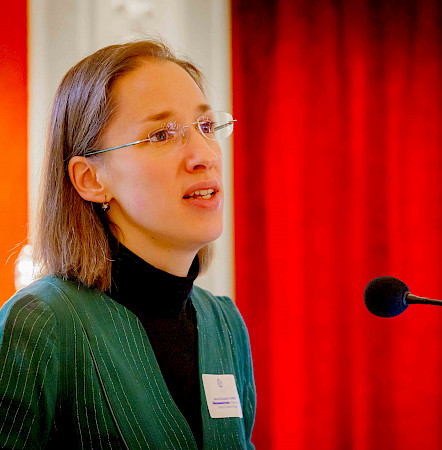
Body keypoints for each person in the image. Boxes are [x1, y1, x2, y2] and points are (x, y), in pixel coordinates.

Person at [0, 40, 255, 449]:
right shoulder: (40, 325)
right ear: (90, 179)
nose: (204, 155)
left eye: (206, 127)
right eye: (161, 134)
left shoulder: (224, 323)